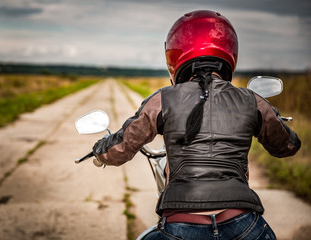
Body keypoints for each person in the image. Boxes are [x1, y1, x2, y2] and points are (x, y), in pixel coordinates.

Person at [92, 10, 301, 240]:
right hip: (244, 225)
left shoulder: (163, 98)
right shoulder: (251, 100)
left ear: (175, 52)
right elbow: (288, 145)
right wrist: (272, 117)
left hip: (180, 223)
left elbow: (122, 145)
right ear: (230, 49)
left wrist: (100, 151)